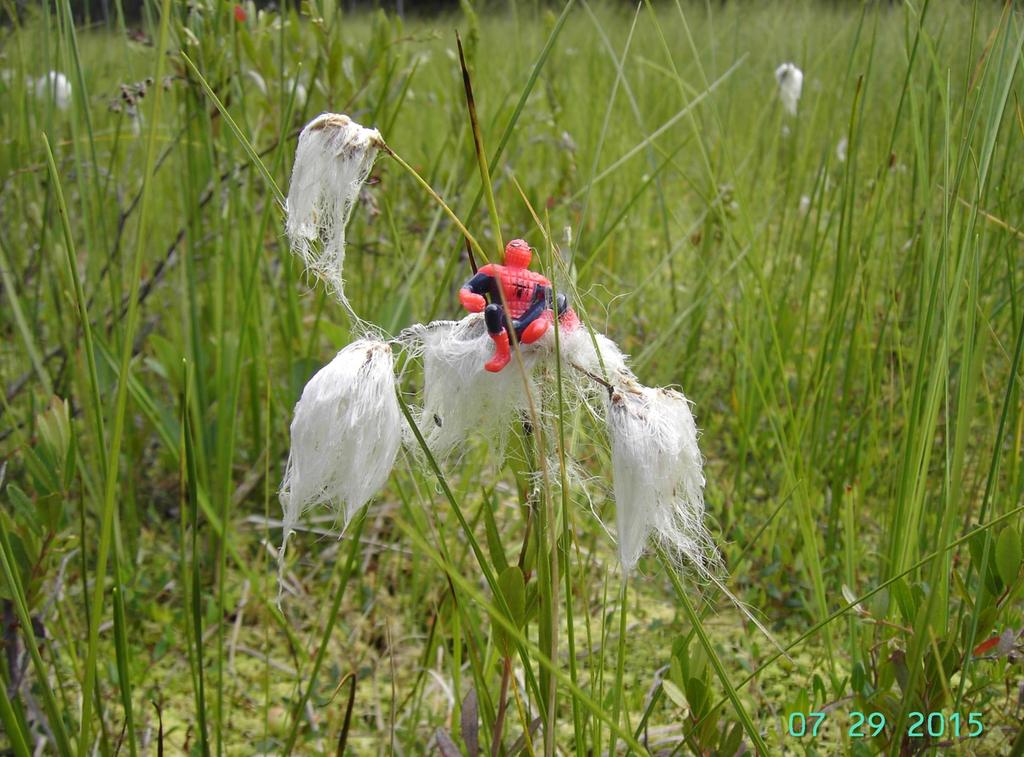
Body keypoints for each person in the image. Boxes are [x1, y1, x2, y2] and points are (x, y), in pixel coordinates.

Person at [458, 239, 576, 372]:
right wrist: (470, 298)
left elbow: (559, 299)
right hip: (504, 323)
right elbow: (468, 288)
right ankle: (503, 352)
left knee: (550, 301)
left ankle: (544, 319)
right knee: (492, 310)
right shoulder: (494, 272)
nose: (519, 249)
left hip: (526, 321)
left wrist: (569, 322)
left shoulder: (536, 280)